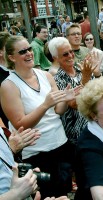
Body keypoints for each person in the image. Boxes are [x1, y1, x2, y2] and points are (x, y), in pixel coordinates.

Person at [1, 36, 77, 198]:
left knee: (63, 193)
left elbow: (58, 111)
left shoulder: (45, 75)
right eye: (22, 51)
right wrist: (45, 105)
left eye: (29, 49)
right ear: (11, 57)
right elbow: (19, 123)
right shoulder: (8, 86)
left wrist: (66, 99)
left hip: (60, 144)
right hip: (37, 152)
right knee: (46, 195)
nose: (29, 53)